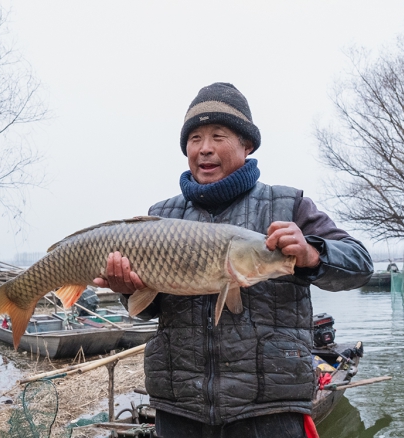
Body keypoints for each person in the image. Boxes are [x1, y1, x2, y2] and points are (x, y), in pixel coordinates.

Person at [93, 82, 373, 438]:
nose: (205, 149)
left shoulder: (289, 206)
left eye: (218, 135)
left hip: (270, 410)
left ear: (246, 144)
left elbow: (361, 266)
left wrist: (312, 254)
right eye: (194, 139)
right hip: (180, 409)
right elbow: (148, 309)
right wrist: (127, 290)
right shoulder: (160, 218)